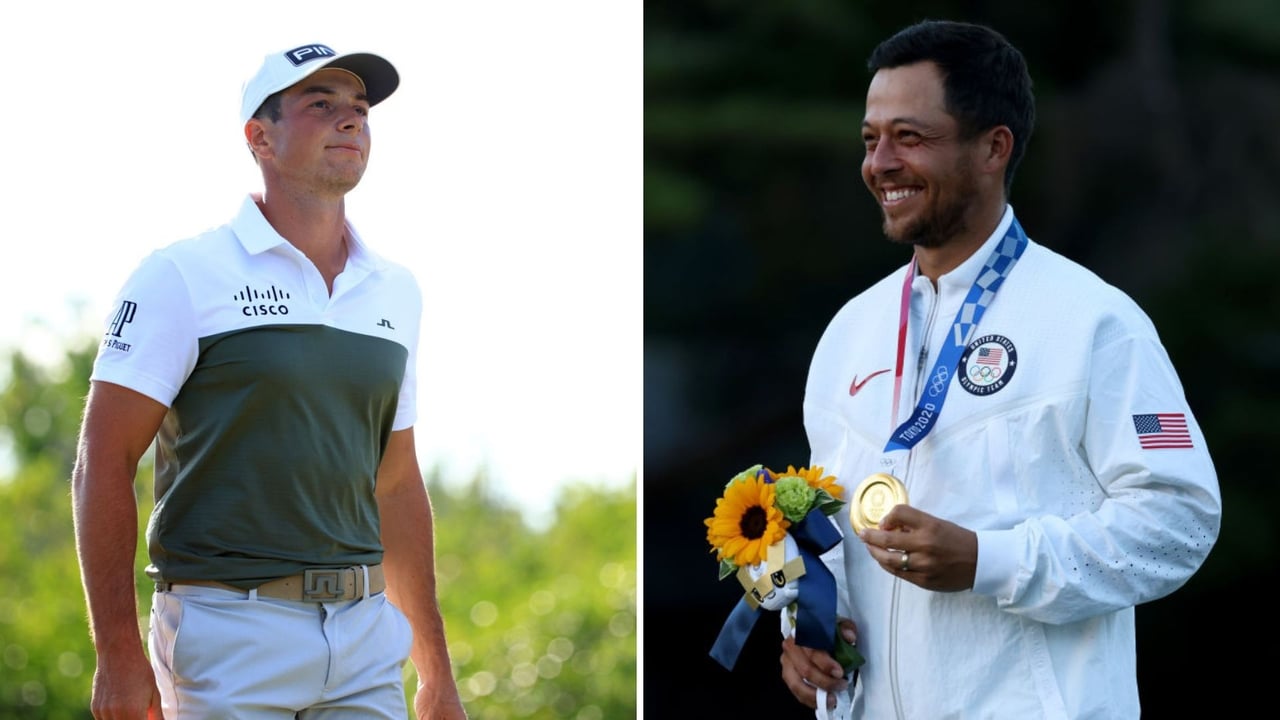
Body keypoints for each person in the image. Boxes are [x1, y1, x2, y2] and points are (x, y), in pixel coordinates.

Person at [778, 20, 1222, 719]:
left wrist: (990, 561)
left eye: (910, 137)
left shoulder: (1095, 321)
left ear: (993, 147)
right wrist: (808, 626)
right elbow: (830, 526)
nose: (880, 163)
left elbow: (1179, 520)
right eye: (871, 139)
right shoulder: (849, 334)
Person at [70, 42, 468, 719]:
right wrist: (116, 655)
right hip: (225, 635)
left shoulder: (396, 291)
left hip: (365, 638)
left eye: (360, 109)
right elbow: (100, 464)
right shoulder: (182, 275)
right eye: (322, 106)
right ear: (260, 138)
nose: (351, 121)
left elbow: (396, 482)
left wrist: (435, 673)